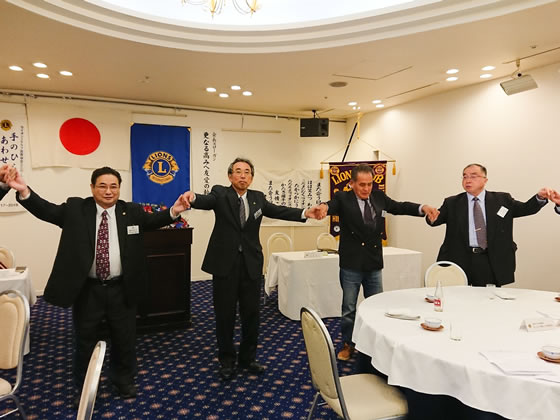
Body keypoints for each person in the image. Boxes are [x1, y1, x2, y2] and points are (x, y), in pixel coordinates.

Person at [7, 166, 190, 406]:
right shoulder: (76, 209)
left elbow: (153, 220)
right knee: (85, 341)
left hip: (122, 288)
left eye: (113, 186)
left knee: (124, 339)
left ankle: (123, 380)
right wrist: (24, 191)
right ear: (92, 187)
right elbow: (47, 210)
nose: (108, 191)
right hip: (89, 289)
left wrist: (175, 210)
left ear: (119, 189)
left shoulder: (131, 211)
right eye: (102, 186)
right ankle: (84, 386)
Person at [183, 157, 324, 380]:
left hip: (251, 264)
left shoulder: (258, 198)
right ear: (230, 176)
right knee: (225, 315)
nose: (243, 175)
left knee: (252, 314)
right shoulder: (221, 193)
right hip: (225, 265)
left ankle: (248, 358)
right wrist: (193, 198)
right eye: (238, 171)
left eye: (247, 172)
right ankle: (226, 360)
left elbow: (278, 210)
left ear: (251, 177)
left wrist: (305, 213)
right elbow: (206, 200)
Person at [317, 164, 439, 361]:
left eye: (370, 184)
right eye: (362, 184)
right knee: (349, 308)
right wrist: (323, 207)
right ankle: (348, 344)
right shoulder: (343, 198)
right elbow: (330, 205)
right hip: (351, 263)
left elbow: (399, 207)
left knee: (377, 305)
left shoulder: (379, 197)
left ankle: (375, 345)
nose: (366, 188)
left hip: (373, 262)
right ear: (352, 183)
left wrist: (422, 208)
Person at [427, 163, 550, 287]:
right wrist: (431, 217)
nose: (468, 180)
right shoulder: (452, 202)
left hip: (489, 259)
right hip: (460, 258)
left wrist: (539, 198)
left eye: (473, 176)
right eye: (465, 177)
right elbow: (436, 219)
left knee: (487, 296)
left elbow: (525, 208)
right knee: (456, 295)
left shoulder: (502, 199)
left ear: (485, 180)